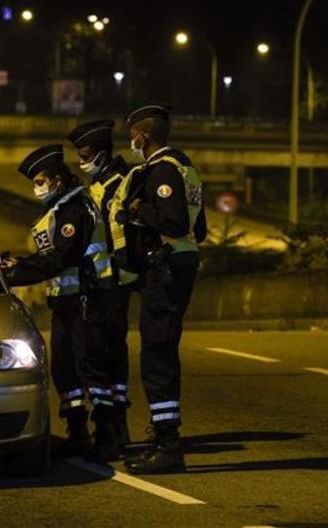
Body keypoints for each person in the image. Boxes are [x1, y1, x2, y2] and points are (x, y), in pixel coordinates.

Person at [0, 144, 123, 461]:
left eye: (41, 180)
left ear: (58, 179)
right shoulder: (55, 212)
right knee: (64, 370)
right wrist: (16, 265)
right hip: (64, 302)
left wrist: (15, 275)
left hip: (87, 296)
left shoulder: (76, 210)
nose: (38, 187)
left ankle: (108, 436)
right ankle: (78, 434)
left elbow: (60, 258)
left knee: (90, 367)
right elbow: (49, 259)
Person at [112, 104, 207, 474]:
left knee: (158, 355)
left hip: (165, 267)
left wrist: (137, 210)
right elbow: (199, 231)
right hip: (181, 262)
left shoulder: (162, 169)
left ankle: (168, 446)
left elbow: (176, 222)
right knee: (161, 350)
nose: (131, 140)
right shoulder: (187, 168)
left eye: (132, 134)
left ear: (143, 135)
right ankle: (163, 441)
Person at [68, 118, 137, 449]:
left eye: (86, 155)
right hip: (101, 282)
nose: (83, 162)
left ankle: (111, 427)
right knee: (105, 354)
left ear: (104, 153)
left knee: (99, 355)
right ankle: (113, 426)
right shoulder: (95, 188)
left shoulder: (121, 184)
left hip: (111, 283)